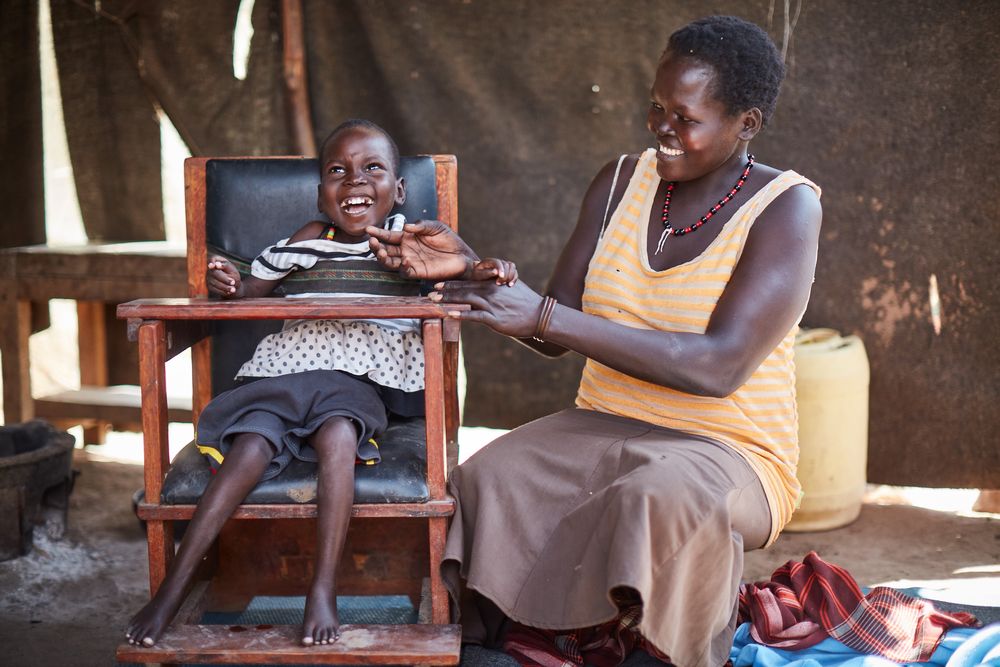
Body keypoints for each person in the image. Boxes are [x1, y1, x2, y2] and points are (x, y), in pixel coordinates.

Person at [367, 16, 823, 667]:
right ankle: (500, 643)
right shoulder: (617, 184)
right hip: (604, 422)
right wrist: (472, 269)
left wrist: (546, 316)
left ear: (745, 123)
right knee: (490, 476)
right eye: (655, 108)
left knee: (660, 495)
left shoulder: (785, 207)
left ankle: (662, 648)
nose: (661, 128)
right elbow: (554, 324)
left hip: (730, 448)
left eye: (684, 118)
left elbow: (719, 366)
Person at [124, 119, 516, 648]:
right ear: (321, 194)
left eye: (372, 168)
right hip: (286, 373)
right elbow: (251, 291)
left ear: (399, 190)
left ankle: (322, 589)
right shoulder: (310, 238)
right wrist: (230, 284)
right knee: (251, 444)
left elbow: (468, 276)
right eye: (338, 171)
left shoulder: (415, 243)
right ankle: (172, 589)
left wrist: (485, 267)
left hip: (359, 382)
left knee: (338, 436)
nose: (354, 181)